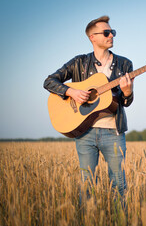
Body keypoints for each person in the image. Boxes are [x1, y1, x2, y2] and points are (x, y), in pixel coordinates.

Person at [43, 15, 134, 198]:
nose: (111, 36)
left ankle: (120, 219)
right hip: (84, 131)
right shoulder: (79, 62)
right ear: (92, 37)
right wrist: (71, 92)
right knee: (87, 184)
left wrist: (127, 91)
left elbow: (126, 102)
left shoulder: (125, 64)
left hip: (113, 131)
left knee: (119, 183)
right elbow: (49, 81)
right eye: (107, 32)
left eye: (112, 32)